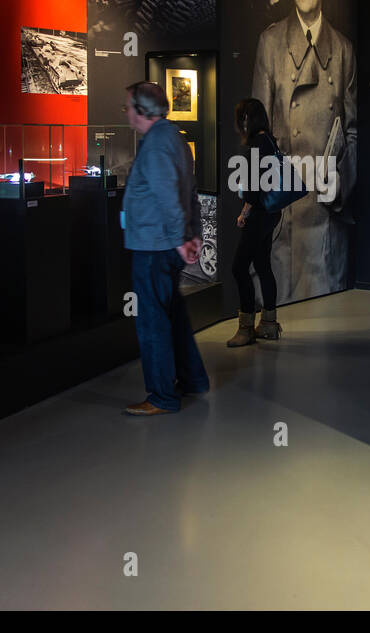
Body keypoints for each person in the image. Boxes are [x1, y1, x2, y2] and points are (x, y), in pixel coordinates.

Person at [252, 0, 357, 304]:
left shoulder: (343, 51)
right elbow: (256, 133)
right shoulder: (271, 43)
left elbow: (352, 129)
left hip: (326, 222)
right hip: (285, 221)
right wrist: (262, 202)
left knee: (327, 330)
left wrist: (339, 187)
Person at [120, 80, 210, 416]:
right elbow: (190, 192)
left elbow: (168, 198)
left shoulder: (156, 144)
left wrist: (179, 240)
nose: (126, 111)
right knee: (173, 315)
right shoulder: (174, 138)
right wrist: (193, 234)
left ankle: (161, 396)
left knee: (153, 321)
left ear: (142, 110)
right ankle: (192, 379)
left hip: (154, 246)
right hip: (165, 244)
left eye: (128, 106)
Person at [227, 98, 283, 347]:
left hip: (259, 214)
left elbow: (252, 186)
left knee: (239, 268)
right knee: (262, 265)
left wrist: (245, 212)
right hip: (271, 212)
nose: (240, 124)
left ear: (247, 119)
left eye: (242, 118)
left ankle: (246, 327)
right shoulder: (269, 139)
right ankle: (269, 325)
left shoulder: (256, 143)